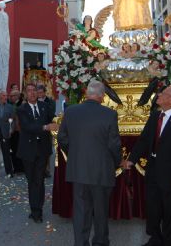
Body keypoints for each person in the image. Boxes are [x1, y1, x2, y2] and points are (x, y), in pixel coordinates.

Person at [123, 87, 171, 246]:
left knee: (170, 208)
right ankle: (155, 237)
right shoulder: (155, 116)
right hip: (153, 169)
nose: (159, 95)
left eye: (164, 93)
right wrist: (131, 160)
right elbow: (144, 141)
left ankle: (169, 240)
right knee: (152, 206)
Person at [58, 80, 121, 246]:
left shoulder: (71, 111)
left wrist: (74, 154)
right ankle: (100, 242)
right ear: (102, 96)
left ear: (87, 93)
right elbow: (114, 144)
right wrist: (117, 162)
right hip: (101, 170)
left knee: (81, 212)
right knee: (100, 212)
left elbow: (62, 138)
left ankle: (80, 242)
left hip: (78, 170)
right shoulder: (109, 114)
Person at [16, 83, 58, 223]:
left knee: (39, 180)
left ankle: (37, 210)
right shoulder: (21, 109)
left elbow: (53, 119)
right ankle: (35, 209)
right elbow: (28, 126)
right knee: (32, 181)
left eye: (34, 90)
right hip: (28, 151)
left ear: (38, 93)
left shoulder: (45, 106)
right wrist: (45, 127)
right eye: (29, 91)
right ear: (25, 93)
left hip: (43, 150)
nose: (32, 93)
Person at [36, 84, 56, 178]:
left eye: (41, 92)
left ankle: (47, 169)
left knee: (47, 150)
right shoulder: (34, 101)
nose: (39, 94)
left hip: (47, 128)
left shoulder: (50, 101)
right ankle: (39, 169)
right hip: (37, 128)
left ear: (44, 92)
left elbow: (51, 114)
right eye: (38, 92)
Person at [8, 89, 24, 174]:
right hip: (12, 130)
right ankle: (16, 167)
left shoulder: (22, 104)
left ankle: (21, 167)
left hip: (20, 131)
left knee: (20, 150)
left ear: (17, 96)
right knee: (13, 150)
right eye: (10, 96)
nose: (10, 97)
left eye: (12, 96)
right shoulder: (10, 104)